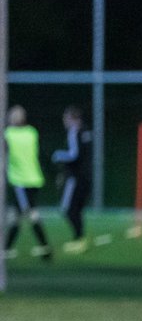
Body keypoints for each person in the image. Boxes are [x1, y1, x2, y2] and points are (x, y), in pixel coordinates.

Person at [4, 105, 53, 260]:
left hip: (20, 181)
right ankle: (7, 248)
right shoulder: (32, 132)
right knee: (18, 214)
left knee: (29, 213)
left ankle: (45, 248)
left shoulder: (9, 134)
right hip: (34, 179)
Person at [51, 106, 92, 251]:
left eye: (66, 118)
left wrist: (58, 155)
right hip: (86, 177)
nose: (64, 121)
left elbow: (74, 154)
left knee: (67, 209)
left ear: (73, 119)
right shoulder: (86, 131)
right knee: (76, 209)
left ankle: (79, 239)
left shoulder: (74, 131)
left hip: (75, 178)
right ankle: (80, 239)